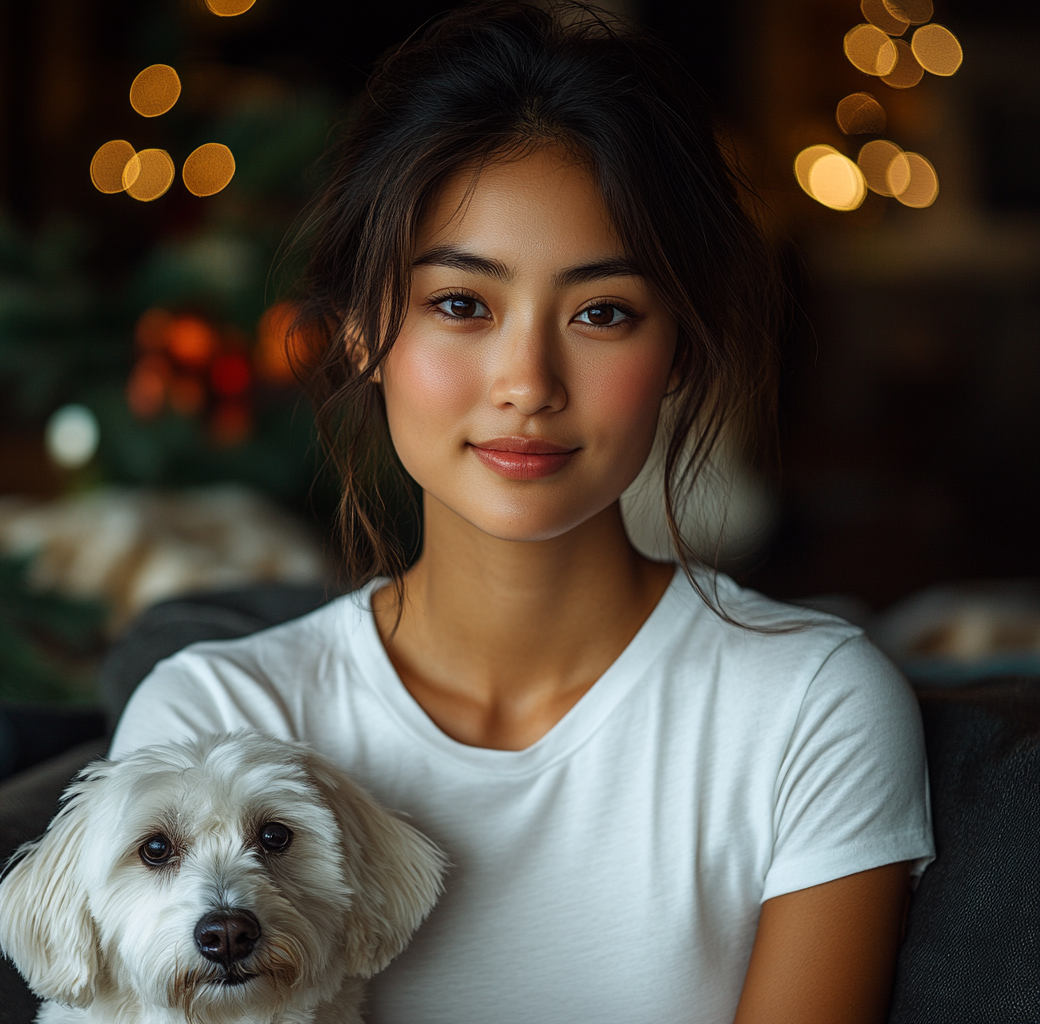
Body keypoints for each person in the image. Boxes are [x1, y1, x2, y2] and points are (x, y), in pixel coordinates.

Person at [111, 3, 934, 1021]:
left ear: (678, 349)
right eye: (461, 303)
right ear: (364, 327)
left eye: (601, 312)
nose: (526, 380)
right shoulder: (215, 725)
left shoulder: (808, 709)